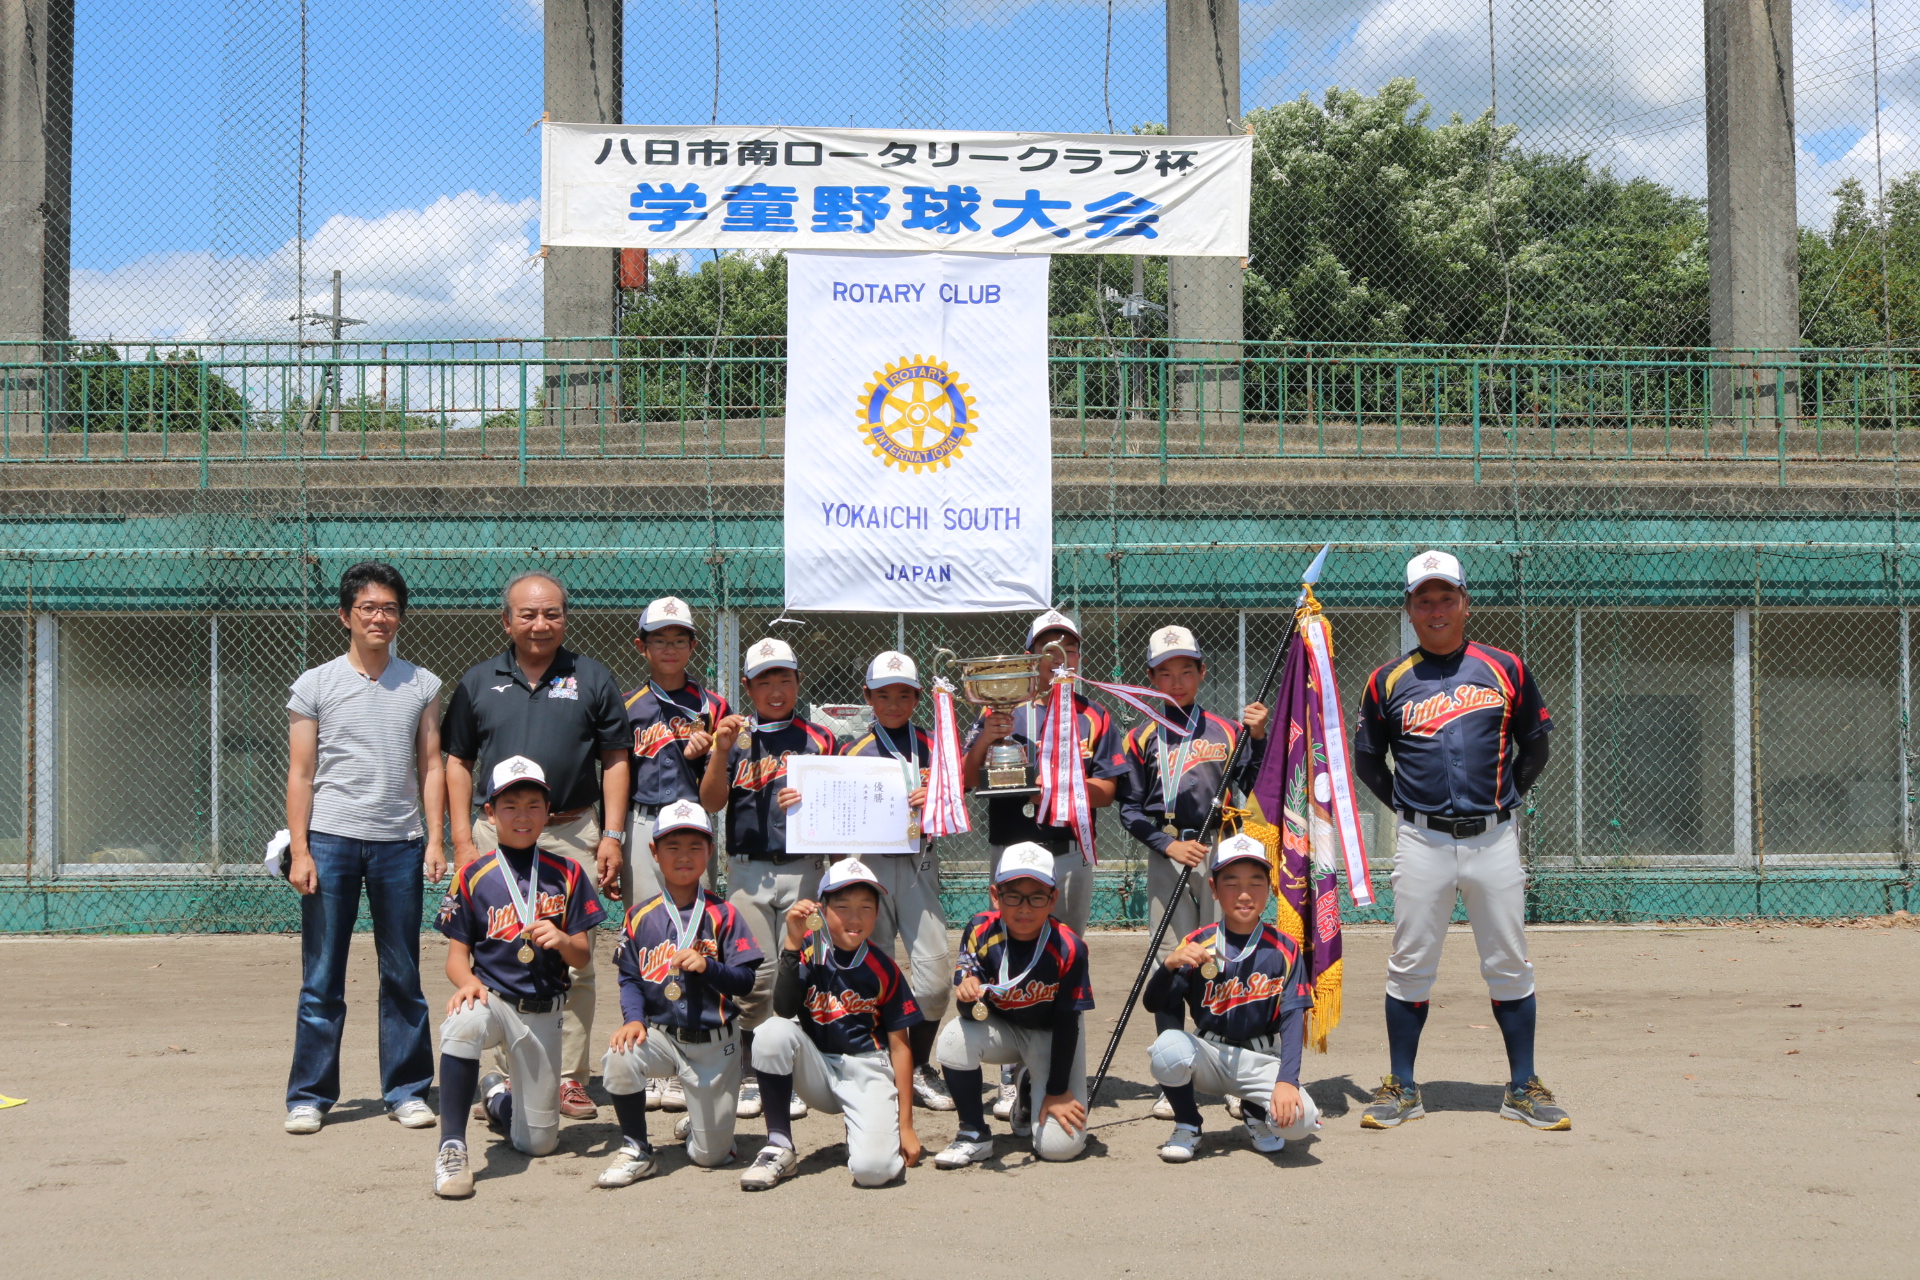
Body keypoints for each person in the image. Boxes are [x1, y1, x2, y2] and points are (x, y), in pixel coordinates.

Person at [1351, 550, 1568, 1132]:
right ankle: (1402, 1086)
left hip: (1494, 838)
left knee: (1509, 963)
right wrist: (1404, 802)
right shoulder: (1387, 680)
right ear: (1410, 609)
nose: (1437, 608)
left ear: (1466, 603)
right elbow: (1366, 760)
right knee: (1409, 965)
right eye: (1424, 599)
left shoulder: (1506, 668)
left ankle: (1522, 1086)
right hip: (1421, 842)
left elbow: (1537, 744)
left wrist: (1506, 798)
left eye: (1447, 597)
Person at [441, 571, 631, 1122]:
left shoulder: (592, 677)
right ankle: (505, 1075)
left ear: (565, 619)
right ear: (506, 620)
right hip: (493, 834)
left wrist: (612, 837)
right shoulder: (478, 681)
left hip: (572, 834)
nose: (540, 624)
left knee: (574, 959)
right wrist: (461, 841)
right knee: (495, 952)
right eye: (527, 614)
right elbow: (458, 760)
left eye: (551, 614)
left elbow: (616, 758)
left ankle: (570, 1078)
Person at [283, 562, 446, 1136]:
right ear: (345, 615)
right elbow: (301, 774)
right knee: (322, 973)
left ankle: (406, 1089)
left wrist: (436, 839)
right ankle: (309, 1095)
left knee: (402, 971)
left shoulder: (422, 684)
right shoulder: (315, 684)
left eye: (390, 608)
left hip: (400, 845)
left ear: (401, 616)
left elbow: (431, 766)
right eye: (368, 607)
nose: (380, 617)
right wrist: (300, 850)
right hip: (329, 842)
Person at [959, 609, 1123, 1120]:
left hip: (1067, 850)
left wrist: (1065, 779)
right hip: (1010, 850)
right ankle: (1010, 1072)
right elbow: (963, 780)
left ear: (1079, 656)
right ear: (1029, 660)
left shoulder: (1094, 716)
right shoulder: (999, 710)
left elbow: (1108, 792)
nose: (1058, 658)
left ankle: (1048, 1063)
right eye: (1046, 649)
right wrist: (989, 738)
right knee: (1006, 951)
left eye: (1067, 648)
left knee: (1062, 958)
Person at [429, 756, 607, 1198]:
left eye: (533, 805)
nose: (522, 815)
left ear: (548, 812)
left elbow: (583, 958)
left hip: (544, 1013)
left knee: (539, 1142)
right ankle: (452, 1146)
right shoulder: (472, 875)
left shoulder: (568, 873)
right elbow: (456, 959)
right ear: (490, 812)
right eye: (510, 806)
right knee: (462, 1023)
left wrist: (563, 940)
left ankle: (496, 1097)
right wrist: (468, 984)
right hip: (496, 1002)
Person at [1118, 623, 1269, 1120]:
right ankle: (1174, 1073)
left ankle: (1232, 1068)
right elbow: (1130, 809)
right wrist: (1165, 844)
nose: (1177, 681)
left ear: (1203, 672)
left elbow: (1256, 781)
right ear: (1150, 679)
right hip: (1170, 852)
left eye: (1187, 670)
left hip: (1222, 850)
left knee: (1227, 959)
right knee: (1174, 959)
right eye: (1165, 673)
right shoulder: (1140, 734)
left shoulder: (1227, 730)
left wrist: (1260, 736)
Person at [699, 636, 836, 1121]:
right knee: (752, 977)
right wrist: (719, 750)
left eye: (784, 678)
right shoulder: (734, 736)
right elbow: (712, 802)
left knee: (797, 970)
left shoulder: (822, 738)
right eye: (764, 681)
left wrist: (812, 805)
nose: (775, 689)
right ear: (747, 686)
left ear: (798, 681)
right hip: (748, 870)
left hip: (804, 869)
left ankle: (793, 1071)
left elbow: (838, 811)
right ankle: (757, 1072)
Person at [598, 799, 763, 1187]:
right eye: (673, 846)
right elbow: (630, 980)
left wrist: (710, 968)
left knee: (711, 1157)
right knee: (620, 1054)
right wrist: (634, 1020)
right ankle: (637, 1148)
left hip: (715, 1046)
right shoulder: (640, 914)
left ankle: (703, 1119)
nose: (684, 856)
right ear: (654, 852)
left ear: (710, 851)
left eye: (695, 846)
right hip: (665, 1038)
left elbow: (745, 983)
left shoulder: (725, 914)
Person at [740, 858, 924, 1190]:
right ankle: (779, 1144)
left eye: (866, 907)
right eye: (842, 906)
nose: (855, 917)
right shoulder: (808, 953)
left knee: (874, 1171)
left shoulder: (883, 968)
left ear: (878, 913)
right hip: (818, 1069)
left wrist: (906, 1124)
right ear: (821, 911)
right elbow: (783, 1008)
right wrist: (791, 945)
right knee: (770, 1032)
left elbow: (900, 1047)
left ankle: (868, 1131)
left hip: (867, 1071)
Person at [1142, 833, 1323, 1163]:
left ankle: (1255, 1112)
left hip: (1262, 1057)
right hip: (1211, 1054)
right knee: (1167, 1048)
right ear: (1213, 889)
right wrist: (1167, 967)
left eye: (1256, 882)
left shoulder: (1284, 948)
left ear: (1269, 889)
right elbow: (1154, 1004)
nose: (1243, 893)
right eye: (1231, 883)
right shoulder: (1197, 943)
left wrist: (1288, 1081)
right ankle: (1188, 1122)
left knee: (1301, 1122)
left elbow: (1293, 1019)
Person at [830, 650, 954, 1112]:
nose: (895, 703)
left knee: (936, 977)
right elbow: (834, 815)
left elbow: (958, 811)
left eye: (905, 694)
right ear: (867, 697)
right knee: (871, 969)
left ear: (919, 697)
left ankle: (919, 1063)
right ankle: (878, 1058)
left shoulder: (935, 745)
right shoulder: (851, 751)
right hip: (870, 869)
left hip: (920, 863)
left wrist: (938, 798)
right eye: (883, 695)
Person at [623, 595, 730, 1114]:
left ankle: (686, 1041)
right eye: (660, 639)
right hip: (643, 824)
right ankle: (650, 1050)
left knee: (691, 932)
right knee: (647, 933)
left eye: (680, 639)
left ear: (693, 645)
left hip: (692, 829)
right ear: (641, 645)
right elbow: (615, 778)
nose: (670, 648)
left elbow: (716, 797)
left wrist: (711, 751)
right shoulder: (626, 706)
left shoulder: (713, 706)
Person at [932, 842, 1094, 1168]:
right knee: (952, 1038)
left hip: (1051, 1035)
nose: (1024, 907)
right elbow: (970, 1014)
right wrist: (968, 995)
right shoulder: (980, 928)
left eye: (1037, 897)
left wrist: (1058, 1091)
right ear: (995, 895)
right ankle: (974, 1133)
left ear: (1052, 899)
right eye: (1013, 895)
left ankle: (1031, 1087)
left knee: (1058, 1149)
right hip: (1002, 1029)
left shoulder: (1069, 946)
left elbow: (1067, 1021)